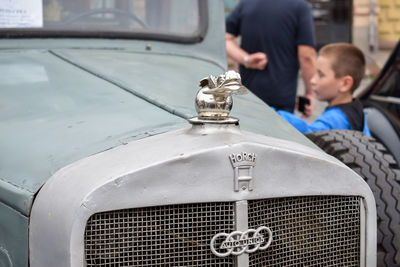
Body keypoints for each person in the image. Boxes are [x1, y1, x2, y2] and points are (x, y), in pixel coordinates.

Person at [225, 0, 316, 116]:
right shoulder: (300, 7)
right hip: (281, 98)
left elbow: (225, 38)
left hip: (249, 95)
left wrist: (246, 59)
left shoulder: (246, 3)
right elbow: (307, 56)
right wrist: (310, 93)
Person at [277, 43, 371, 136]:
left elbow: (310, 136)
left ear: (345, 84)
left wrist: (274, 114)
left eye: (321, 75)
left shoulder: (334, 119)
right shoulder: (357, 111)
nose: (313, 80)